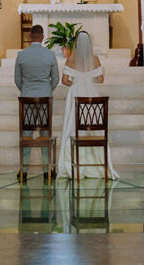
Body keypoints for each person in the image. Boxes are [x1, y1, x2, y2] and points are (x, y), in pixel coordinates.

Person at [57, 30, 118, 179]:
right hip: (91, 93)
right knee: (91, 125)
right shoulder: (95, 58)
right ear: (89, 44)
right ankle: (95, 163)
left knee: (73, 127)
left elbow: (64, 80)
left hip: (75, 94)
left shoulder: (71, 58)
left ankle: (73, 162)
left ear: (76, 43)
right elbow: (100, 79)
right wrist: (88, 80)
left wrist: (76, 82)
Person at [14, 24, 60, 179]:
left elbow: (17, 79)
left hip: (26, 98)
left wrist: (26, 89)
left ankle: (24, 171)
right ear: (42, 37)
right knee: (45, 133)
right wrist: (47, 90)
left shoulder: (21, 55)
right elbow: (56, 79)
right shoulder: (50, 55)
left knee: (26, 134)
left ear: (29, 36)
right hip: (45, 98)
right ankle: (47, 171)